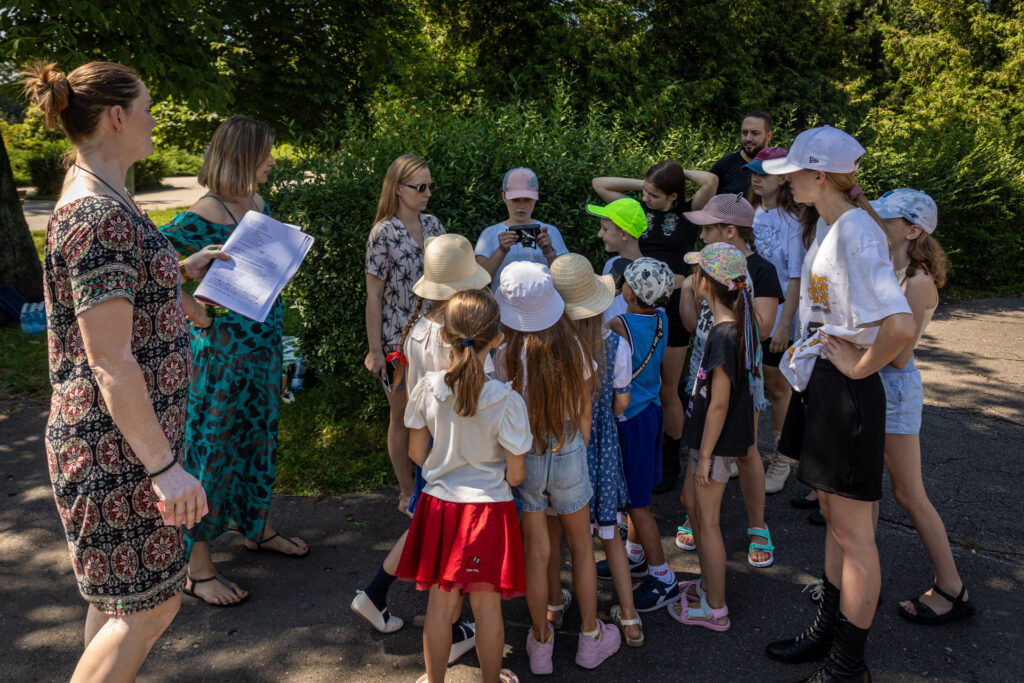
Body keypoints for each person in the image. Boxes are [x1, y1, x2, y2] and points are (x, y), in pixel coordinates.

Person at [25, 60, 225, 680]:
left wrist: (177, 271)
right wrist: (165, 468)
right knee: (150, 607)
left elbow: (122, 295)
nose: (155, 120)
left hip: (123, 443)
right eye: (147, 108)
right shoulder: (100, 217)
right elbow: (110, 360)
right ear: (117, 117)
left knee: (117, 605)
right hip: (119, 451)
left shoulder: (108, 195)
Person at [760, 126, 916, 682]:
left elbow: (898, 323)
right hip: (822, 382)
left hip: (843, 388)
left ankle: (849, 667)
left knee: (854, 535)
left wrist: (858, 367)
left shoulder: (855, 232)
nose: (786, 182)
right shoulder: (833, 225)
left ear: (819, 175)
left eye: (794, 172)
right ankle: (828, 634)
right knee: (831, 516)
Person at [160, 115, 309, 608]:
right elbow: (156, 273)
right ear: (243, 156)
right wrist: (198, 316)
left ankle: (257, 527)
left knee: (258, 436)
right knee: (211, 447)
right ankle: (197, 566)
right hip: (221, 355)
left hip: (262, 346)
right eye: (266, 152)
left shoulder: (258, 203)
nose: (273, 161)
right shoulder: (199, 214)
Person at [352, 234, 491, 668]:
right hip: (461, 446)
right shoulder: (461, 336)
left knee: (429, 531)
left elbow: (416, 402)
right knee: (450, 543)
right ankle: (447, 633)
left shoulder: (416, 331)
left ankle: (375, 593)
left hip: (431, 444)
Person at [398, 289, 531, 683]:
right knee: (488, 609)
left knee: (439, 608)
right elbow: (517, 474)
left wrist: (446, 466)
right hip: (489, 511)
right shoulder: (507, 400)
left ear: (444, 337)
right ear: (498, 337)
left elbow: (417, 453)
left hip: (439, 507)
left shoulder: (428, 389)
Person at [495, 262, 621, 674]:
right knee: (582, 547)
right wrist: (576, 450)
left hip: (525, 454)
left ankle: (543, 643)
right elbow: (584, 412)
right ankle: (589, 637)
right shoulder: (574, 347)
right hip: (568, 449)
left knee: (537, 553)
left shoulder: (504, 354)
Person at [870, 189, 973, 625]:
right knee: (862, 489)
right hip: (872, 378)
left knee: (908, 493)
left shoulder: (917, 280)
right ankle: (858, 578)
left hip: (892, 386)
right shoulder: (890, 266)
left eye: (886, 218)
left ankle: (952, 587)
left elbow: (897, 355)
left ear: (912, 230)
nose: (877, 222)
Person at [591, 162, 718, 493]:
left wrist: (677, 172)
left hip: (673, 303)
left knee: (668, 386)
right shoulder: (640, 208)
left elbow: (712, 180)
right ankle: (641, 445)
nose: (647, 198)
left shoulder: (690, 212)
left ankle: (671, 456)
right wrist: (646, 183)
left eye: (655, 194)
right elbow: (600, 182)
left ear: (674, 196)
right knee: (630, 377)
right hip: (639, 300)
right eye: (645, 192)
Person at [675, 194, 782, 569]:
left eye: (708, 228)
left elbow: (765, 328)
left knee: (745, 450)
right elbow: (690, 325)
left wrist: (732, 294)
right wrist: (691, 289)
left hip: (741, 375)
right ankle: (697, 510)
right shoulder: (705, 268)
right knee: (698, 441)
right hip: (703, 368)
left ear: (730, 231)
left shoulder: (761, 271)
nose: (702, 236)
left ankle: (757, 524)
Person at [549, 254, 643, 647]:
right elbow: (622, 402)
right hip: (602, 446)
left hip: (561, 446)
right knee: (610, 537)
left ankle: (553, 606)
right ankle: (630, 615)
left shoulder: (551, 346)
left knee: (555, 536)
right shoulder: (616, 343)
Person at [668, 242, 759, 631]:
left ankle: (716, 605)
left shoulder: (724, 335)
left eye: (696, 272)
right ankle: (708, 583)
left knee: (707, 520)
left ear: (705, 282)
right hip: (705, 436)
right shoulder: (729, 325)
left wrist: (705, 456)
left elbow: (719, 404)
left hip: (714, 442)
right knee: (692, 501)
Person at [365, 155, 446, 514]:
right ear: (398, 189)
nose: (428, 193)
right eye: (420, 187)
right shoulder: (383, 233)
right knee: (402, 417)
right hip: (398, 341)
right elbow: (374, 295)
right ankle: (407, 491)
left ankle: (437, 486)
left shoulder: (434, 224)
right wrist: (375, 351)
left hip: (440, 336)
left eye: (430, 186)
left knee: (438, 414)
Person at [601, 258, 680, 612]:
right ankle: (635, 554)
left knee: (637, 504)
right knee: (640, 487)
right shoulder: (662, 318)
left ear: (628, 292)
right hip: (651, 413)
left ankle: (664, 577)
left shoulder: (619, 323)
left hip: (628, 417)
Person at [746, 147, 808, 493]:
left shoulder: (793, 222)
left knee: (777, 386)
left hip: (778, 319)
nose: (756, 178)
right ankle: (746, 454)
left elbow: (796, 278)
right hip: (747, 317)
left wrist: (785, 325)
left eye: (764, 173)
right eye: (753, 172)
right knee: (748, 383)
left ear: (783, 178)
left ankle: (782, 457)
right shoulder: (750, 213)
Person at [475, 167, 568, 290]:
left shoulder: (551, 232)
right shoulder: (489, 235)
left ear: (536, 198)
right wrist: (501, 251)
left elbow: (566, 279)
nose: (521, 205)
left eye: (528, 199)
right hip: (503, 308)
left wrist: (549, 253)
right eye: (515, 199)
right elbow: (479, 282)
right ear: (504, 197)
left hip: (543, 308)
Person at [588, 198, 647, 322]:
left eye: (605, 229)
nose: (599, 234)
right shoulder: (611, 264)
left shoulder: (649, 274)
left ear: (624, 235)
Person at [709, 110, 773, 195]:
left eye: (755, 133)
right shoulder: (724, 166)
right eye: (744, 133)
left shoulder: (779, 167)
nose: (748, 138)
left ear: (768, 136)